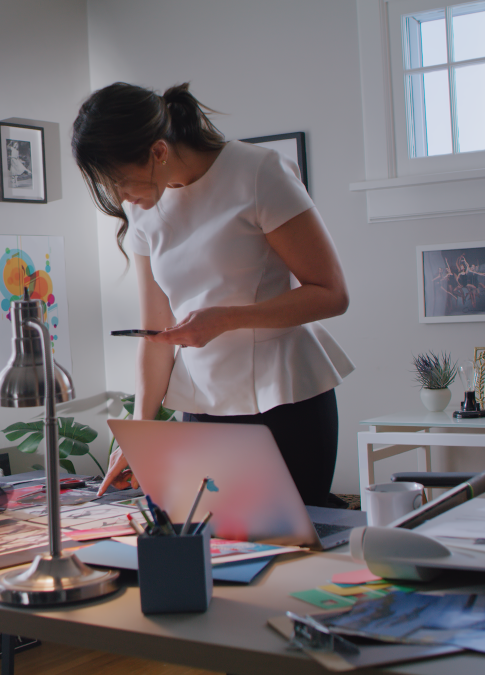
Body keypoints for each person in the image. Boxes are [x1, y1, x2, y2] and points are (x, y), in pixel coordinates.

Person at [72, 82, 353, 507]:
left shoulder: (259, 172)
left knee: (294, 544)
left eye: (123, 182)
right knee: (212, 550)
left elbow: (331, 294)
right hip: (202, 402)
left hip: (285, 397)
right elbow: (155, 334)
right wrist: (139, 433)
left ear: (159, 152)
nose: (122, 198)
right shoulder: (142, 209)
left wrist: (224, 319)